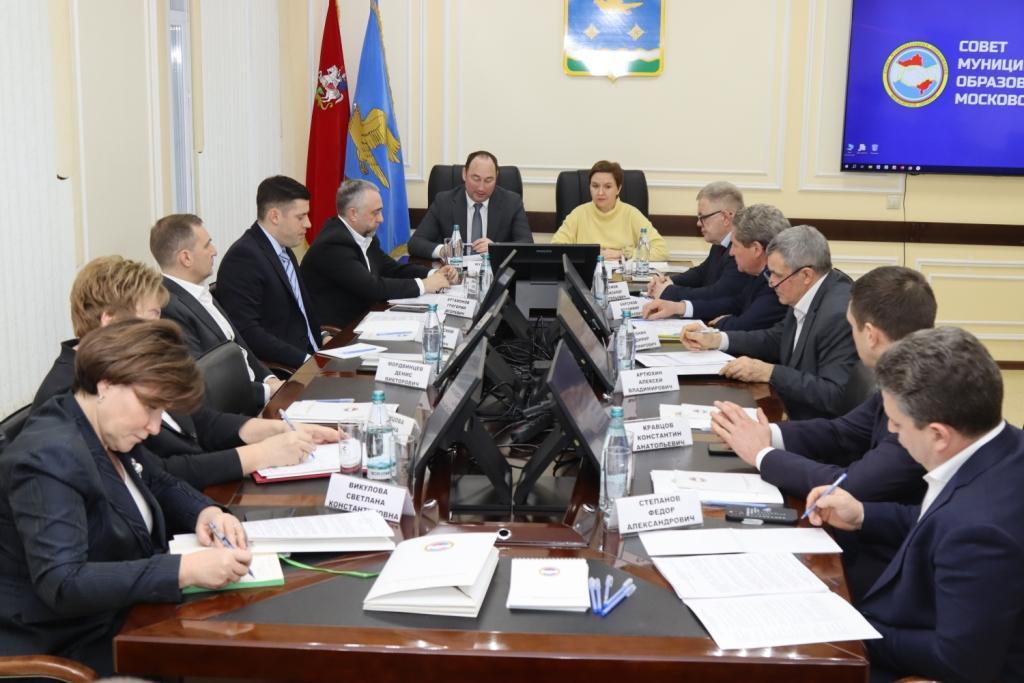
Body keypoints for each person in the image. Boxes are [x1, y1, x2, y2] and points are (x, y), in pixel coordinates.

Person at [0, 319, 254, 674]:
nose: (155, 426)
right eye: (150, 408)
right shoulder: (48, 456)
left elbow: (159, 481)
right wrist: (183, 570)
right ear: (106, 383)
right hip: (67, 645)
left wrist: (207, 513)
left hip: (125, 616)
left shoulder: (99, 425)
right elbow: (64, 582)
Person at [805, 327, 1024, 683]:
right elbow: (938, 521)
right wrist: (862, 515)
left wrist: (852, 628)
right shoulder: (1005, 445)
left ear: (938, 435)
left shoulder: (981, 530)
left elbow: (958, 661)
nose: (891, 431)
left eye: (896, 423)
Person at [32, 255, 335, 490]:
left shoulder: (132, 365)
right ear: (109, 321)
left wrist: (275, 430)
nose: (162, 328)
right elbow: (152, 472)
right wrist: (260, 455)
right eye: (152, 316)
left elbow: (200, 421)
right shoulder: (68, 393)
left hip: (205, 492)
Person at [680, 225, 862, 419]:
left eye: (777, 275)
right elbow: (776, 338)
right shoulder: (808, 291)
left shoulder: (837, 315)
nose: (771, 282)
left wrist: (769, 372)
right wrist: (717, 339)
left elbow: (833, 395)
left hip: (815, 425)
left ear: (806, 275)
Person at [150, 213, 281, 413]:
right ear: (186, 258)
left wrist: (270, 379)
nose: (214, 251)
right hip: (238, 413)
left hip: (261, 396)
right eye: (207, 245)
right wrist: (266, 391)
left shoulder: (199, 291)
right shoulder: (169, 308)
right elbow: (205, 381)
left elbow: (241, 348)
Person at [302, 179, 457, 328]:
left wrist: (433, 273)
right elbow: (371, 287)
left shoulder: (364, 234)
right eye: (375, 213)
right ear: (353, 214)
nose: (381, 219)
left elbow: (392, 269)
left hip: (365, 317)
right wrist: (424, 285)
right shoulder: (333, 244)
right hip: (339, 331)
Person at [215, 175, 323, 370]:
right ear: (275, 216)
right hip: (288, 368)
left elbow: (301, 311)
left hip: (314, 355)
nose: (308, 223)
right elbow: (248, 333)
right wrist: (306, 360)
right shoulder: (243, 257)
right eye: (300, 217)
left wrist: (323, 337)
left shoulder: (284, 248)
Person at [642, 204, 789, 331]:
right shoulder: (758, 274)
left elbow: (745, 324)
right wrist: (679, 308)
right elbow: (733, 304)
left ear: (756, 249)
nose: (731, 252)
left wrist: (722, 322)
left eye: (735, 245)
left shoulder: (777, 282)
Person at [408, 150, 533, 258]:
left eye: (488, 180)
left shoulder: (512, 202)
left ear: (496, 177)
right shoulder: (443, 201)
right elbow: (415, 243)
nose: (481, 188)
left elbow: (527, 244)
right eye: (476, 178)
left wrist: (496, 249)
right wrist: (444, 250)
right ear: (464, 174)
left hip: (494, 273)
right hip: (453, 273)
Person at [646, 181, 752, 302]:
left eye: (703, 217)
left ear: (725, 218)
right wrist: (668, 281)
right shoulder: (719, 244)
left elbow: (718, 294)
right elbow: (701, 273)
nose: (698, 223)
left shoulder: (741, 250)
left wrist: (668, 291)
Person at [549, 160, 667, 261]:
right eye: (595, 186)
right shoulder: (578, 214)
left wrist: (623, 254)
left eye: (607, 186)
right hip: (588, 276)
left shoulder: (631, 214)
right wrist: (591, 254)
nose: (600, 193)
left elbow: (661, 251)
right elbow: (556, 248)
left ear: (618, 189)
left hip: (623, 277)